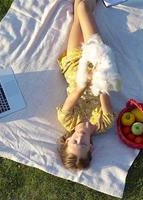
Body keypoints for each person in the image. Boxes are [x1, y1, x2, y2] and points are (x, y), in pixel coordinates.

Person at [56, 0, 118, 170]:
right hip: (96, 60)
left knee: (78, 13)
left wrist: (84, 84)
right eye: (83, 145)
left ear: (68, 140)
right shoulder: (103, 124)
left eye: (75, 142)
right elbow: (104, 91)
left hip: (75, 63)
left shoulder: (67, 121)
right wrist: (96, 76)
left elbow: (72, 97)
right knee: (83, 8)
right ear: (91, 148)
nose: (80, 139)